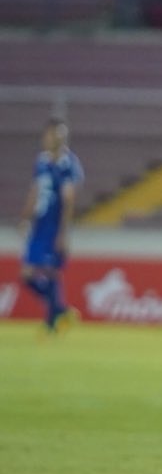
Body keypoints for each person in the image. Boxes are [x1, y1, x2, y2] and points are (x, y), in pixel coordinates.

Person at [18, 118, 84, 334]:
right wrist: (25, 218)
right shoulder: (42, 161)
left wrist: (63, 233)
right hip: (39, 225)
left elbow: (69, 200)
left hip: (54, 226)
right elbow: (35, 191)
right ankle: (59, 310)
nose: (50, 139)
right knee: (27, 275)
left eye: (55, 135)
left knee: (51, 272)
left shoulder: (68, 164)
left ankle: (51, 323)